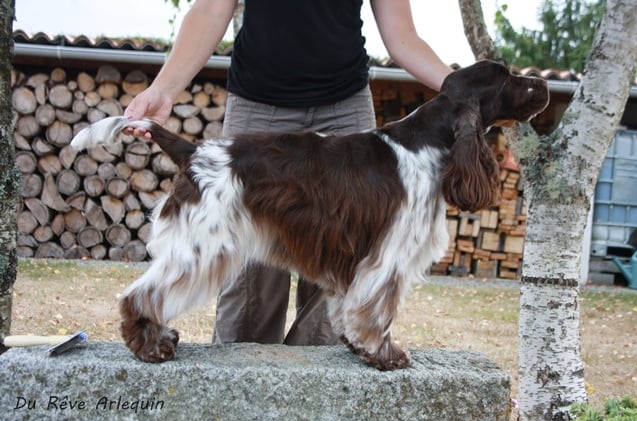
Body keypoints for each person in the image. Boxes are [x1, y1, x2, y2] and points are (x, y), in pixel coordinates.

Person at [124, 0, 453, 346]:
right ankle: (239, 373)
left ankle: (322, 375)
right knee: (251, 281)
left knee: (343, 264)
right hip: (259, 108)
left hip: (344, 112)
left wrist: (462, 87)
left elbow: (402, 35)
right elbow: (211, 9)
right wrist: (163, 89)